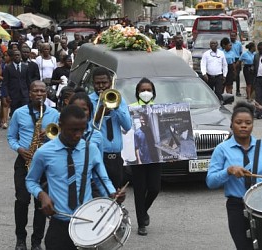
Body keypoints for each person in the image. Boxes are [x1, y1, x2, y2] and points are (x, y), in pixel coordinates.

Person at [25, 104, 125, 250]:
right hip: (59, 224)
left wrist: (113, 194)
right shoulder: (44, 152)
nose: (78, 135)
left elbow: (102, 179)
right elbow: (31, 181)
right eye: (73, 130)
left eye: (82, 129)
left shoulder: (91, 149)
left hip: (88, 223)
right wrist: (42, 195)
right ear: (60, 125)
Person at [206, 101, 262, 250]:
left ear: (253, 125)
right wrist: (228, 171)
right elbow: (210, 181)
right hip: (237, 207)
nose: (243, 126)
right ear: (232, 124)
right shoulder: (221, 149)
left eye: (248, 123)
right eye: (238, 122)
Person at [7, 81, 60, 250]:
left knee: (41, 204)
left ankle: (36, 242)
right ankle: (20, 239)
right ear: (29, 94)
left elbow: (61, 137)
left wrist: (50, 138)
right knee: (22, 201)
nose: (39, 94)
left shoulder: (54, 114)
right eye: (35, 91)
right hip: (24, 161)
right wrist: (20, 149)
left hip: (45, 164)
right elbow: (11, 137)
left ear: (46, 94)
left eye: (42, 91)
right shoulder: (19, 113)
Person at [89, 67, 132, 189]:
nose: (101, 86)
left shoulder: (118, 99)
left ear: (110, 83)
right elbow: (86, 129)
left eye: (104, 83)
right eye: (97, 83)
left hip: (116, 158)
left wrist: (116, 106)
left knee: (115, 194)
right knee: (98, 194)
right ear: (93, 84)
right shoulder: (89, 101)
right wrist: (99, 112)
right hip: (98, 156)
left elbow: (127, 126)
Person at [129, 78, 161, 236]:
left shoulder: (160, 109)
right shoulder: (131, 109)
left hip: (155, 156)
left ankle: (143, 211)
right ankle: (141, 223)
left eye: (148, 90)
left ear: (153, 92)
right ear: (137, 92)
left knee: (155, 188)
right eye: (142, 90)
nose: (146, 93)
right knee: (139, 190)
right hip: (138, 159)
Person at [2, 50, 31, 116]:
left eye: (18, 55)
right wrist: (7, 95)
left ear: (21, 56)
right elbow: (5, 83)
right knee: (15, 113)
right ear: (12, 57)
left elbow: (28, 81)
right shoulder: (8, 67)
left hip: (24, 94)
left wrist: (29, 92)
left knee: (25, 112)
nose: (17, 56)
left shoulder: (25, 67)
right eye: (15, 55)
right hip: (13, 95)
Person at [230, 32, 243, 96]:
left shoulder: (239, 43)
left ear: (236, 36)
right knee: (230, 76)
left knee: (237, 76)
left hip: (237, 60)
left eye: (234, 36)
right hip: (230, 60)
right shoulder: (228, 43)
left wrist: (239, 61)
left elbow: (241, 53)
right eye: (231, 36)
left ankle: (238, 91)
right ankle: (230, 91)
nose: (232, 37)